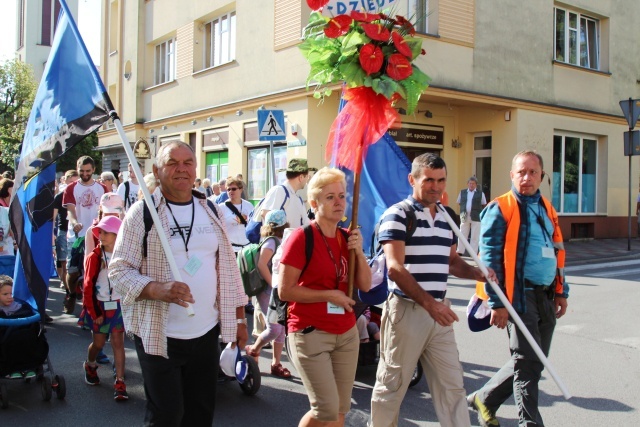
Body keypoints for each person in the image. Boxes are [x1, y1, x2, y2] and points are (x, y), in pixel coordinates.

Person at [109, 141, 248, 425]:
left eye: (188, 162)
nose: (181, 169)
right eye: (172, 163)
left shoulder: (211, 208)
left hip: (206, 333)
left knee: (200, 414)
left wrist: (240, 318)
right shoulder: (141, 213)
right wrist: (155, 289)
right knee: (167, 416)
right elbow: (119, 271)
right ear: (157, 170)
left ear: (196, 169)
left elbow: (228, 269)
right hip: (159, 335)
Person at [370, 153, 496, 427]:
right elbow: (394, 267)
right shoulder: (398, 214)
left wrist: (477, 273)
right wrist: (431, 305)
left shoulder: (448, 217)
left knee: (453, 386)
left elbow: (451, 262)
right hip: (407, 312)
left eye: (441, 180)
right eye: (429, 180)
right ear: (412, 179)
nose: (436, 187)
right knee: (392, 386)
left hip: (438, 312)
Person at [467, 150, 569, 427]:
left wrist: (561, 291)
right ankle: (530, 423)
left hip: (546, 293)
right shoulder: (500, 208)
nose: (526, 177)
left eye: (532, 172)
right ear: (512, 175)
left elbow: (558, 251)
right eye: (521, 172)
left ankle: (485, 398)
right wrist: (497, 302)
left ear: (542, 176)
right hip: (517, 296)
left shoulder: (548, 208)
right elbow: (489, 259)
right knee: (527, 363)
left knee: (535, 360)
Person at [279, 167, 371, 427]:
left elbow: (364, 283)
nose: (339, 202)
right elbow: (285, 291)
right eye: (330, 197)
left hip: (346, 333)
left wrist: (359, 252)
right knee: (325, 410)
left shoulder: (346, 237)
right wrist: (329, 295)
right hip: (310, 333)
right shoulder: (301, 238)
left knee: (340, 411)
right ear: (314, 202)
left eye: (342, 196)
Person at [78, 216, 129, 401]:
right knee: (98, 344)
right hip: (99, 306)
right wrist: (94, 312)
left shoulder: (124, 255)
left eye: (107, 232)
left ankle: (120, 382)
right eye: (100, 231)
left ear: (118, 235)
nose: (102, 235)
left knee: (118, 342)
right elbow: (88, 286)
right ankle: (90, 364)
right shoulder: (94, 256)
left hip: (117, 304)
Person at [244, 210, 291, 378]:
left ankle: (276, 363)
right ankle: (253, 349)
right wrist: (274, 284)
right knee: (274, 328)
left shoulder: (278, 240)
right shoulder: (272, 242)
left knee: (281, 327)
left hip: (277, 290)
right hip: (268, 290)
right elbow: (262, 264)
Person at [62, 156, 108, 314]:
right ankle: (71, 294)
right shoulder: (71, 188)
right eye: (82, 171)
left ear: (94, 170)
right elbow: (70, 210)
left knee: (95, 271)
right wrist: (75, 223)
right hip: (77, 236)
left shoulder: (102, 189)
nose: (85, 174)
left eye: (88, 171)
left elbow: (107, 212)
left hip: (97, 236)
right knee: (73, 271)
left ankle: (91, 304)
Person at [260, 158, 316, 228]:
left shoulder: (298, 199)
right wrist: (282, 234)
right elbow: (265, 214)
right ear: (301, 177)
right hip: (278, 239)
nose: (307, 179)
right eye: (307, 176)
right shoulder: (279, 191)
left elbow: (306, 223)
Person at [0, 275, 37, 379]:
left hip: (23, 338)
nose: (9, 296)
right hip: (6, 341)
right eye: (5, 294)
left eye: (12, 293)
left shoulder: (21, 307)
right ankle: (10, 369)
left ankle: (29, 367)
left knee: (30, 336)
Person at [53, 170, 79, 290]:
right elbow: (53, 217)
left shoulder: (80, 194)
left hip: (78, 232)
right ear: (65, 181)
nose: (73, 185)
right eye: (70, 182)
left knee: (76, 262)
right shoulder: (60, 196)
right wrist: (51, 236)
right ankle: (67, 288)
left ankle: (75, 286)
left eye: (75, 182)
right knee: (64, 262)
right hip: (63, 230)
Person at [217, 176, 253, 253]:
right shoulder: (221, 207)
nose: (230, 191)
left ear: (241, 189)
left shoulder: (248, 206)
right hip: (230, 249)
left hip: (247, 249)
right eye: (228, 189)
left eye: (233, 189)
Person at [84, 193, 125, 259]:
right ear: (101, 208)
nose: (111, 214)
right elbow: (88, 259)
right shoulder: (91, 231)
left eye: (115, 211)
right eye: (108, 211)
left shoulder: (125, 229)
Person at [456, 176, 487, 256]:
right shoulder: (462, 192)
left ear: (476, 185)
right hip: (464, 216)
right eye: (470, 183)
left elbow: (484, 204)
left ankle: (473, 253)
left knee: (474, 236)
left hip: (476, 217)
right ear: (467, 184)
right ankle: (460, 251)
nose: (471, 185)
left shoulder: (480, 193)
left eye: (473, 184)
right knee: (462, 234)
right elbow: (459, 202)